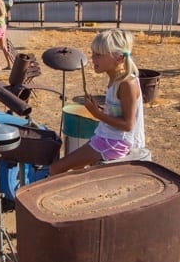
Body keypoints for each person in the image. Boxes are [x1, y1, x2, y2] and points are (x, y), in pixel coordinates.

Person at [49, 29, 145, 175]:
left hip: (116, 143)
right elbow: (117, 111)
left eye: (98, 55)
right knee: (76, 168)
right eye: (93, 53)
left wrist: (97, 113)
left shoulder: (126, 84)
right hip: (107, 136)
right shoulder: (115, 78)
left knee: (55, 168)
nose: (93, 58)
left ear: (119, 58)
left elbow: (128, 124)